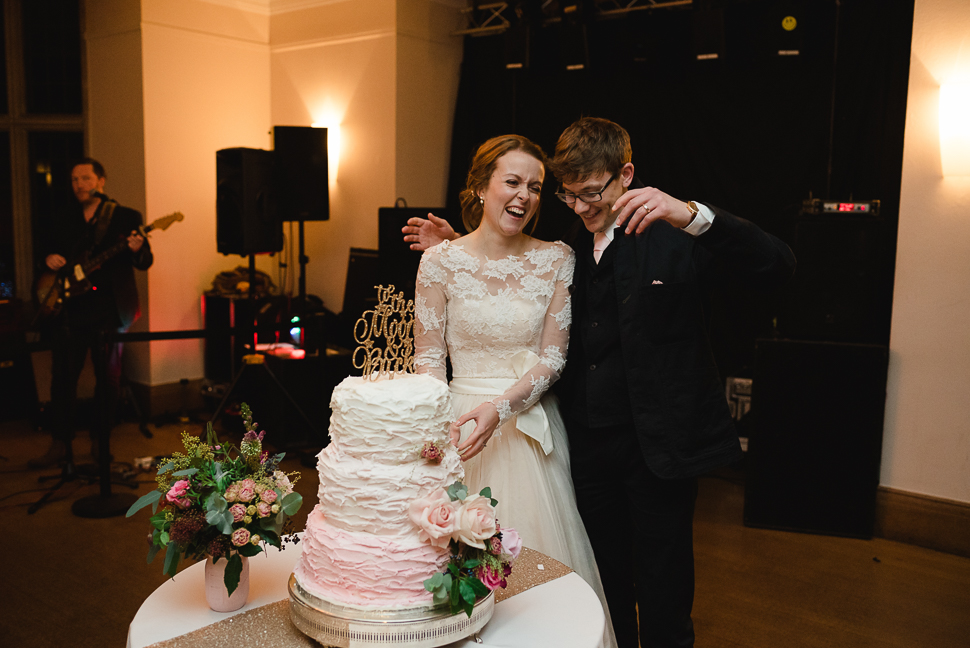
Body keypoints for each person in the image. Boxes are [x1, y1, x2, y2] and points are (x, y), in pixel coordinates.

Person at [404, 117, 796, 647]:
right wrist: (460, 252)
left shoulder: (675, 234)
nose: (583, 208)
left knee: (663, 593)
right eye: (568, 196)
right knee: (602, 590)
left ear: (626, 175)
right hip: (586, 451)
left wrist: (694, 215)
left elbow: (777, 264)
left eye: (592, 193)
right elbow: (508, 283)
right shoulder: (565, 245)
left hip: (658, 449)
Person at [413, 134, 617, 648]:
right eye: (512, 182)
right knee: (447, 583)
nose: (524, 196)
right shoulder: (439, 262)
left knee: (531, 591)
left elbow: (553, 359)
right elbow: (428, 358)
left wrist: (498, 409)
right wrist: (441, 427)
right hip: (455, 428)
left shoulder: (556, 259)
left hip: (526, 428)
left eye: (535, 186)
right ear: (482, 186)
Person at [29, 158, 153, 469]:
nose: (79, 185)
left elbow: (145, 260)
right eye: (74, 180)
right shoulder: (62, 217)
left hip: (109, 310)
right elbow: (44, 254)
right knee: (62, 379)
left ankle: (101, 441)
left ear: (101, 181)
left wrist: (138, 248)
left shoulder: (125, 216)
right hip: (69, 309)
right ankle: (60, 442)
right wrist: (49, 258)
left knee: (108, 380)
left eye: (85, 178)